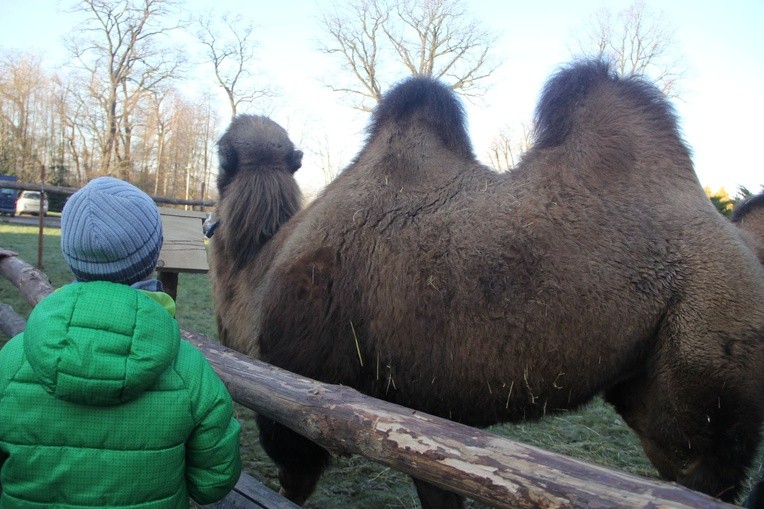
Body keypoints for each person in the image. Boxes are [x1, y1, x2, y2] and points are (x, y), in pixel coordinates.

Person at [0, 177, 241, 507]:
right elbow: (213, 481)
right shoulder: (188, 370)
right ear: (153, 255)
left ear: (70, 255)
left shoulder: (11, 362)